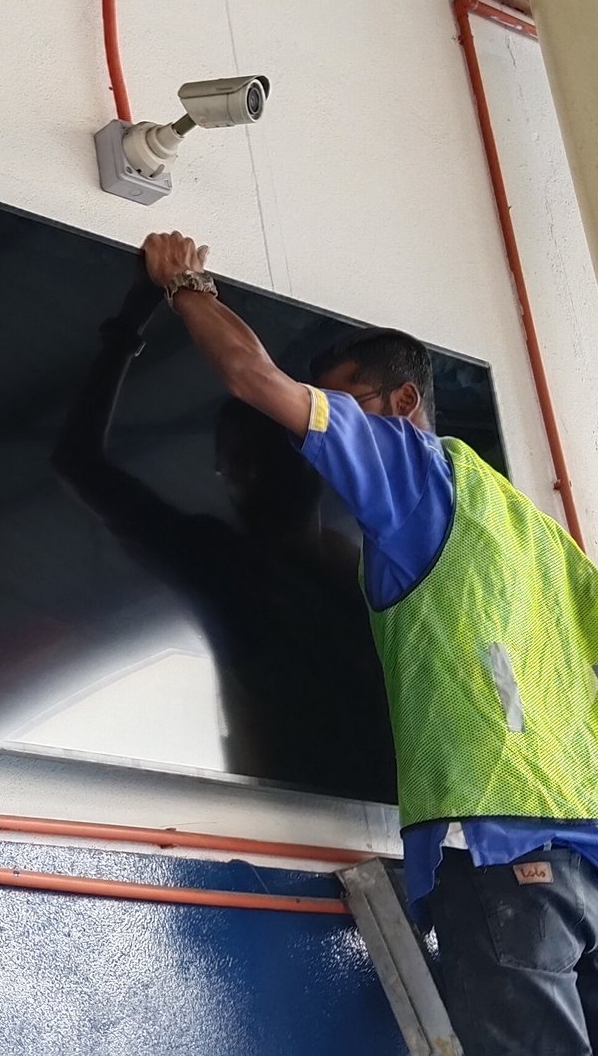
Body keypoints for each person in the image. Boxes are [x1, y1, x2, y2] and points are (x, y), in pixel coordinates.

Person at [143, 230, 598, 1054]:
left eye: (343, 399)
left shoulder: (416, 473)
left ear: (397, 405)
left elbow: (253, 379)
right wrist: (553, 737)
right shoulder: (536, 531)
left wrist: (185, 285)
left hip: (502, 855)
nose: (318, 432)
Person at [50, 277, 396, 800]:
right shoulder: (225, 565)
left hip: (402, 822)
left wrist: (131, 323)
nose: (254, 472)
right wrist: (126, 328)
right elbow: (77, 461)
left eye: (265, 453)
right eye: (238, 461)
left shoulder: (371, 572)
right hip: (298, 820)